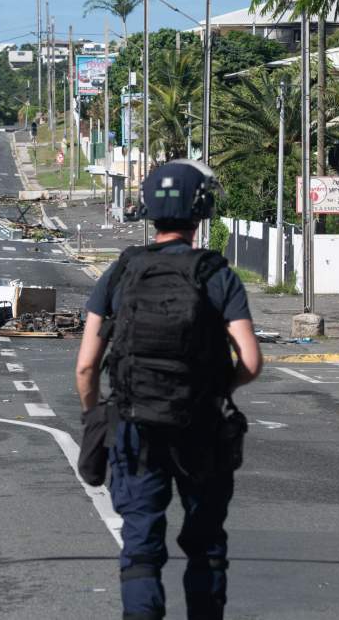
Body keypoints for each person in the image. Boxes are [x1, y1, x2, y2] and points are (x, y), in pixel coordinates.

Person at [75, 160, 262, 620]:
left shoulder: (122, 272)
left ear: (147, 210)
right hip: (200, 426)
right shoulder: (216, 273)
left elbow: (85, 367)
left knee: (140, 545)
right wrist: (217, 388)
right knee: (206, 545)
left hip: (135, 426)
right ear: (202, 211)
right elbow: (252, 362)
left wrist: (95, 414)